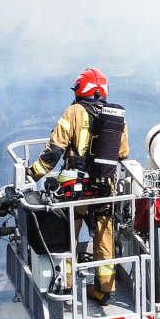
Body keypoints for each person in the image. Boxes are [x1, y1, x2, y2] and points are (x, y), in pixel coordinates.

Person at [29, 68, 129, 303]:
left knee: (67, 237)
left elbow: (55, 151)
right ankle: (104, 290)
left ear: (80, 90)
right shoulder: (116, 118)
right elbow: (123, 153)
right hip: (105, 188)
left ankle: (66, 285)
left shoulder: (73, 112)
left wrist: (32, 174)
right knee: (104, 237)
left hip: (76, 189)